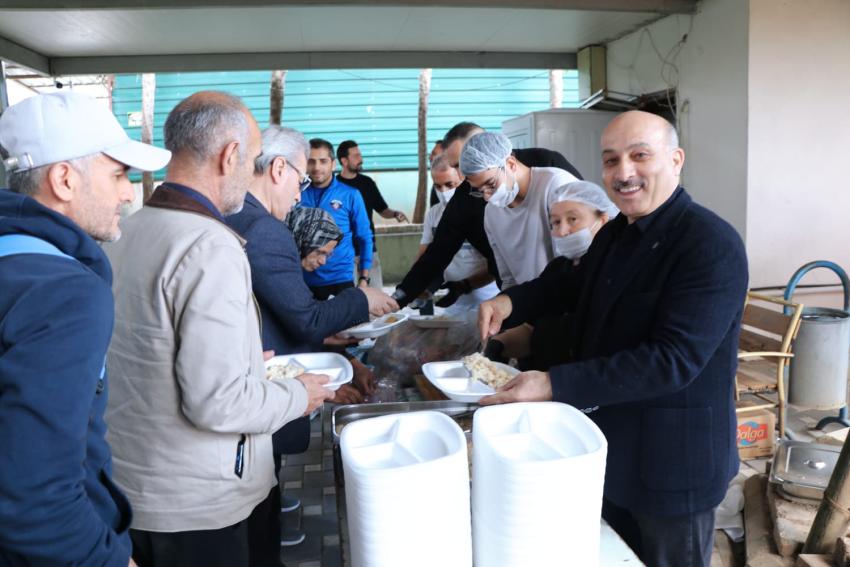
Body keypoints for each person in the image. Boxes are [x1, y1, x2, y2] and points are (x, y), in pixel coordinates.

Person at [478, 110, 748, 567]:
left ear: (676, 160)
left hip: (672, 462)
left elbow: (672, 361)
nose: (623, 172)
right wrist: (510, 303)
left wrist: (551, 383)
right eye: (610, 160)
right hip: (610, 449)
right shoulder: (616, 235)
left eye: (640, 155)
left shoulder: (708, 244)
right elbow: (569, 285)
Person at [104, 91, 334, 567]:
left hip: (136, 489)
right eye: (251, 161)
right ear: (230, 156)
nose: (251, 177)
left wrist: (247, 358)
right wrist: (300, 395)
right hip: (199, 505)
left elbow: (151, 350)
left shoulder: (130, 230)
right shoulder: (210, 246)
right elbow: (220, 401)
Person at [0, 91, 170, 565]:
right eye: (118, 174)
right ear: (64, 179)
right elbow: (35, 493)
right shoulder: (65, 292)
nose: (128, 193)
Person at [225, 127, 397, 547]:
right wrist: (361, 298)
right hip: (256, 384)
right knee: (256, 517)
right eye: (301, 180)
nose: (301, 194)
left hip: (254, 377)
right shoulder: (264, 229)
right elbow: (303, 318)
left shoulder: (241, 218)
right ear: (278, 169)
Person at [392, 121, 583, 306]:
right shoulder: (474, 199)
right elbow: (439, 249)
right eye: (457, 166)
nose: (462, 175)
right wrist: (402, 295)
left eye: (461, 164)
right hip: (517, 295)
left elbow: (585, 217)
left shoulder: (551, 174)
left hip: (565, 292)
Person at [486, 180, 618, 368]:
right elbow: (532, 329)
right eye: (555, 222)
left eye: (572, 219)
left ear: (603, 220)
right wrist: (501, 343)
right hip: (538, 380)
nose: (562, 231)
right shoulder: (557, 269)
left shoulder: (610, 271)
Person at [460, 131, 578, 288]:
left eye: (491, 184)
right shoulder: (492, 213)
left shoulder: (556, 186)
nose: (487, 197)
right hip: (529, 305)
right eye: (479, 190)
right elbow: (508, 278)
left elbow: (572, 263)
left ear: (510, 164)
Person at [419, 154, 499, 315]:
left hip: (487, 300)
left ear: (463, 179)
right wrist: (420, 285)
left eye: (449, 185)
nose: (443, 192)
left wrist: (464, 286)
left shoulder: (485, 211)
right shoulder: (434, 214)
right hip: (451, 304)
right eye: (437, 186)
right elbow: (425, 255)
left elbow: (498, 263)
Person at [301, 138, 373, 298]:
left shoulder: (350, 194)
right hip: (302, 281)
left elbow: (365, 237)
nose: (317, 167)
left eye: (323, 161)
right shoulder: (295, 193)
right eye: (311, 161)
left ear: (333, 164)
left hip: (341, 280)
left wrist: (363, 278)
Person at [337, 139, 408, 289]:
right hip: (343, 252)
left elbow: (382, 210)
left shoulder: (367, 183)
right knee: (349, 297)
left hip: (368, 249)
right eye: (356, 156)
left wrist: (395, 214)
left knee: (375, 296)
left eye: (360, 155)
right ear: (344, 161)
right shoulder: (334, 185)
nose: (361, 159)